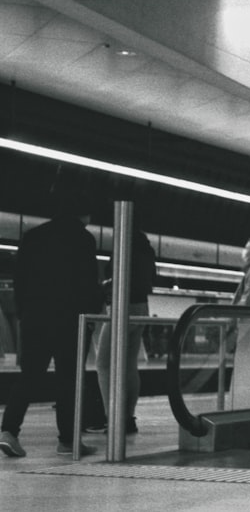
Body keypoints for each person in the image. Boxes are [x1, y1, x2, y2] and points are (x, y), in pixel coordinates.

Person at [0, 189, 103, 458]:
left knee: (29, 376)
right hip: (70, 320)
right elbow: (89, 284)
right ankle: (68, 440)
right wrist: (91, 316)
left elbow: (19, 280)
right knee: (68, 381)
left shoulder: (33, 236)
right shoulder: (83, 238)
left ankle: (9, 431)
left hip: (35, 318)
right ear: (83, 213)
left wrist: (23, 313)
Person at [87, 229, 156, 436]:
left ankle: (113, 419)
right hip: (142, 307)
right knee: (129, 364)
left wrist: (106, 285)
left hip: (122, 307)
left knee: (104, 363)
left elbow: (118, 276)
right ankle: (128, 418)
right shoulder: (146, 249)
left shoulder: (125, 245)